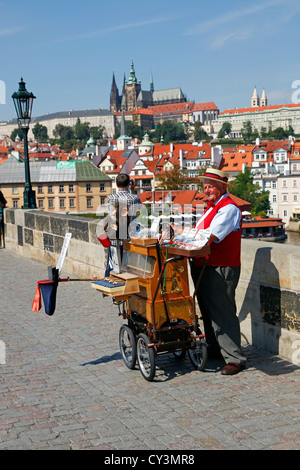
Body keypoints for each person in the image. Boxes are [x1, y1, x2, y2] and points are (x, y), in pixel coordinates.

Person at [190, 168, 246, 376]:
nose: (207, 190)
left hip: (221, 267)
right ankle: (216, 348)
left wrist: (187, 239)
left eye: (210, 186)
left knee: (222, 312)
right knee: (207, 311)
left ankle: (235, 358)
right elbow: (199, 232)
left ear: (222, 187)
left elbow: (212, 235)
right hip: (205, 264)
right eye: (205, 186)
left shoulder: (228, 208)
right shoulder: (211, 208)